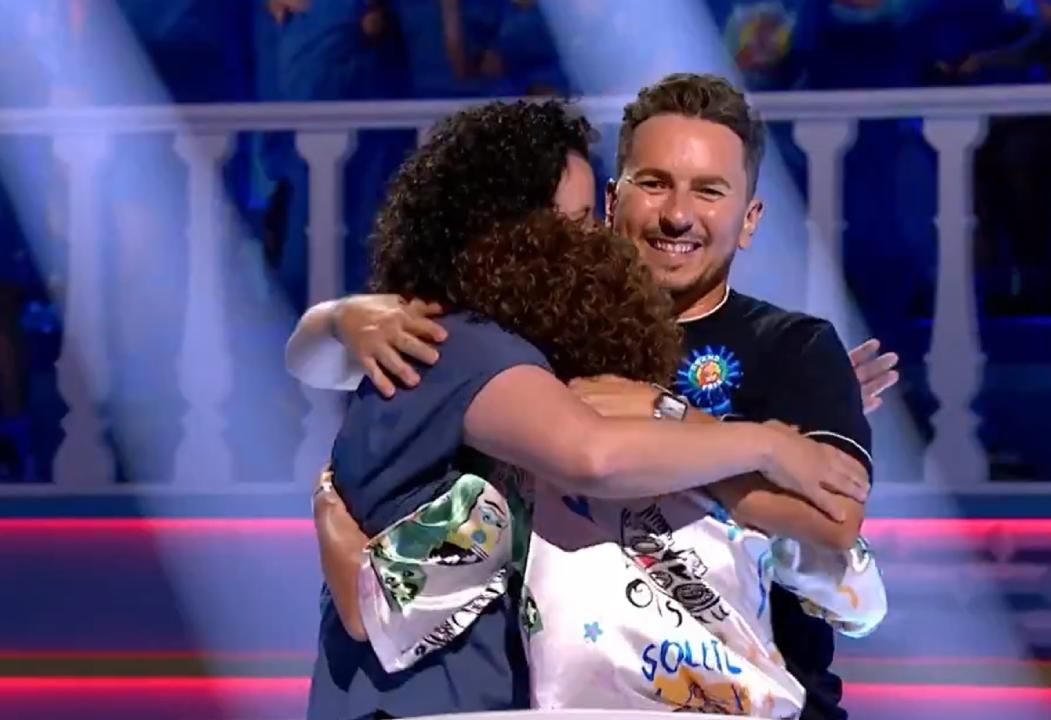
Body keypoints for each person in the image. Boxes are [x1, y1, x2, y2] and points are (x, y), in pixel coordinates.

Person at [291, 73, 900, 719]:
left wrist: (678, 421)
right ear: (611, 203)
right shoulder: (523, 333)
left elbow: (835, 523)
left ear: (749, 218)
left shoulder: (792, 347)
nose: (677, 214)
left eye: (708, 190)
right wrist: (342, 318)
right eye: (655, 183)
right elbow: (582, 456)